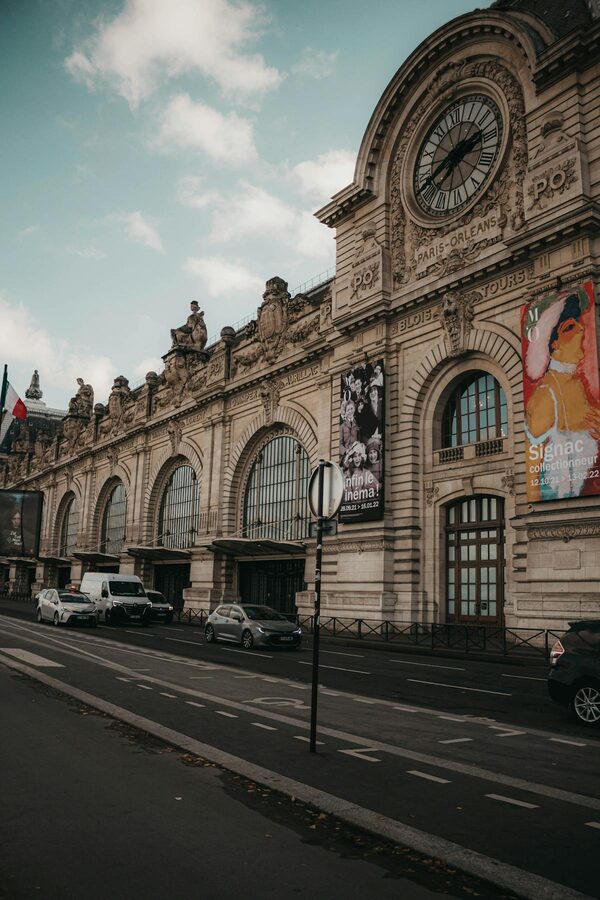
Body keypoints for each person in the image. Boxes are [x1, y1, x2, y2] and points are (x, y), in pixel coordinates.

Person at [525, 287, 600, 500]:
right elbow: (533, 468)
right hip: (566, 503)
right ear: (553, 343)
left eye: (578, 324)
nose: (581, 330)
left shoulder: (578, 386)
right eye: (569, 327)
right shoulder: (546, 395)